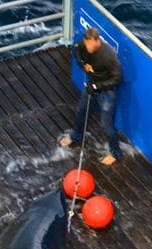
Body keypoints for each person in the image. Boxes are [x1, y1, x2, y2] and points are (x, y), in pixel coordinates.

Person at [60, 27, 124, 165]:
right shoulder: (84, 44)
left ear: (97, 40)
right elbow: (76, 50)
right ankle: (76, 136)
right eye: (86, 43)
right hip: (91, 86)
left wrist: (96, 87)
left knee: (107, 124)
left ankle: (116, 153)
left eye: (89, 45)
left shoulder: (109, 56)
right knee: (80, 111)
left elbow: (117, 78)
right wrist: (81, 63)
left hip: (106, 91)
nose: (87, 48)